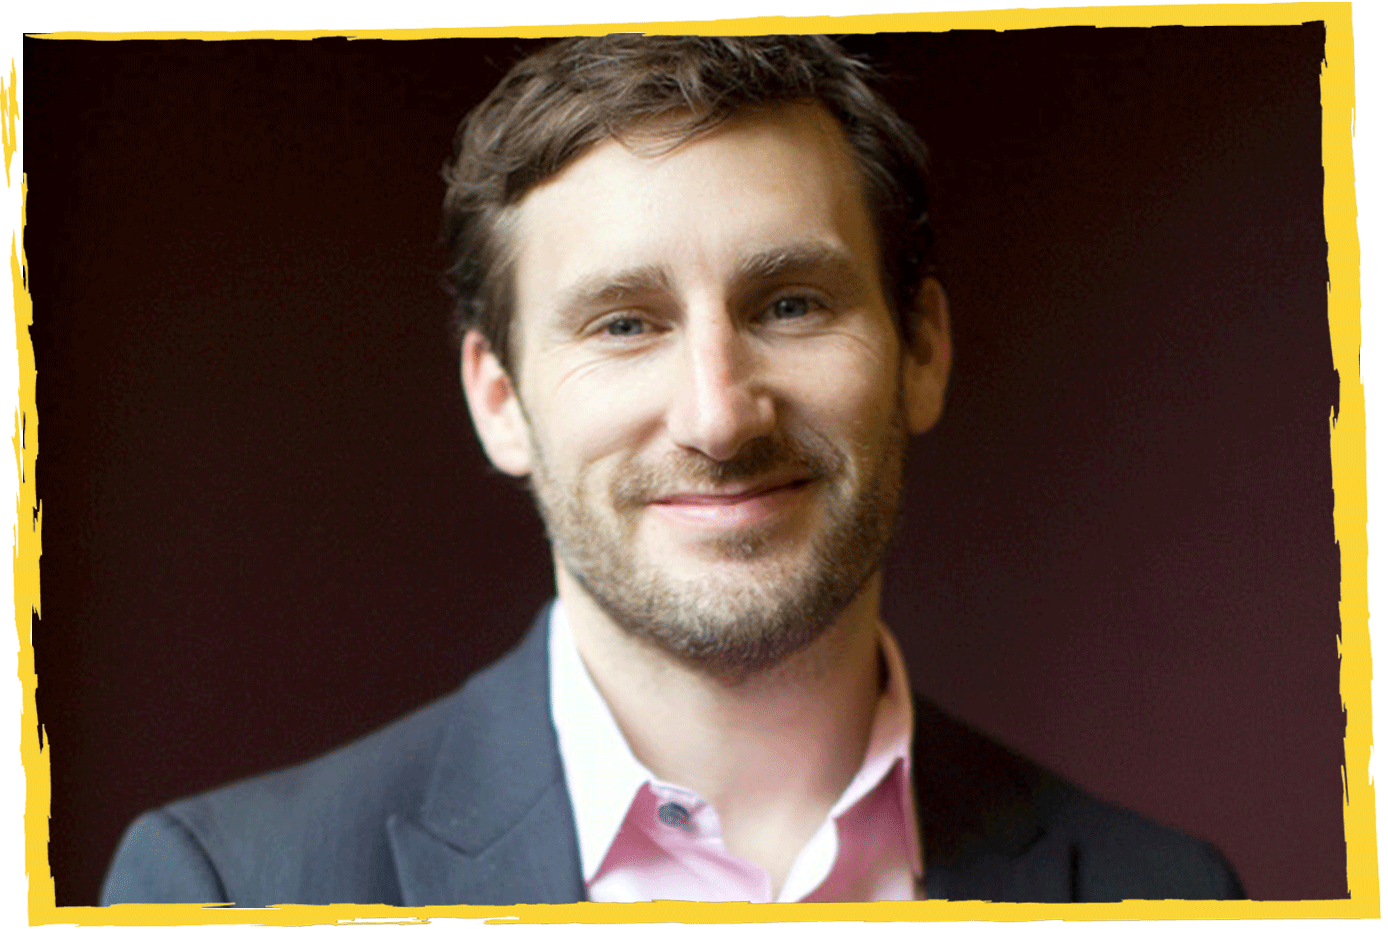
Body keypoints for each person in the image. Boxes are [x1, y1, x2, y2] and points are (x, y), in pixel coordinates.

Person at [100, 34, 1244, 906]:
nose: (717, 414)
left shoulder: (1166, 895)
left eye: (789, 303)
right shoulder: (229, 893)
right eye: (622, 323)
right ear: (498, 399)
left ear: (922, 350)